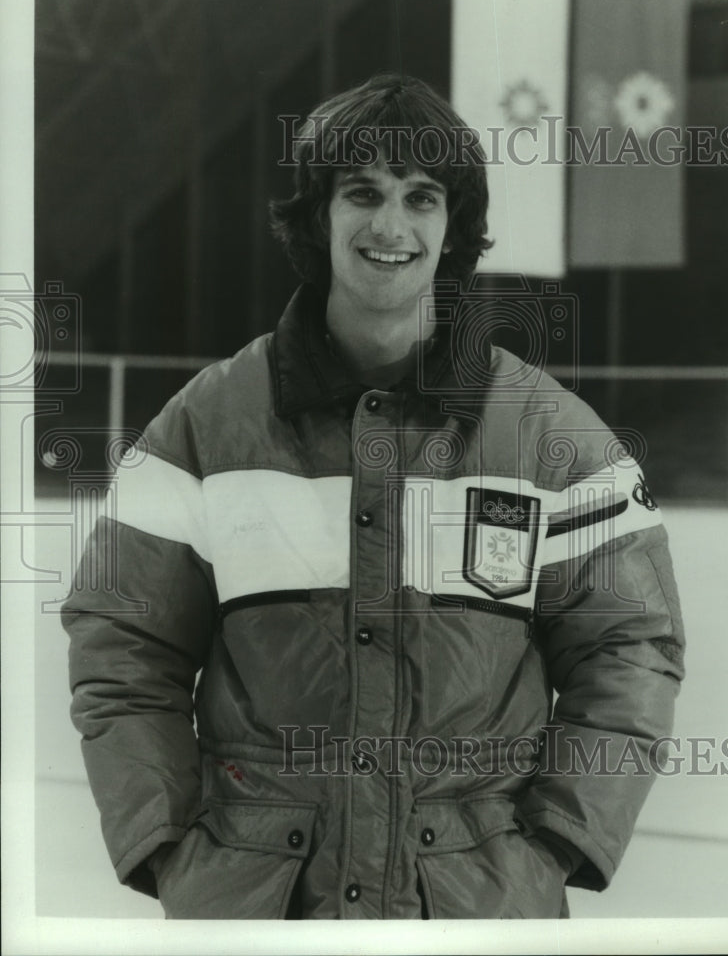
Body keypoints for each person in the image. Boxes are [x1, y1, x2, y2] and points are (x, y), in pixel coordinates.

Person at [61, 73, 685, 920]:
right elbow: (122, 646)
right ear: (318, 216)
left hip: (476, 908)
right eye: (362, 193)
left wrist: (553, 846)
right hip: (254, 906)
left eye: (421, 198)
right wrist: (167, 846)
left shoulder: (550, 434)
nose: (390, 226)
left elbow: (629, 649)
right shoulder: (207, 422)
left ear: (453, 227)